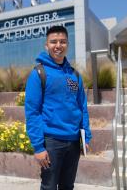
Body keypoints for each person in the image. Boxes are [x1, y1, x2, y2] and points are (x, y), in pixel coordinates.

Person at [25, 25, 92, 190]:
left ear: (67, 45)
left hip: (74, 141)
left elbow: (82, 106)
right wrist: (39, 147)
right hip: (51, 142)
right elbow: (32, 112)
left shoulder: (74, 75)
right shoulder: (38, 74)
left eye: (62, 41)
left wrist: (86, 137)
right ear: (46, 45)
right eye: (53, 41)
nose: (58, 45)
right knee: (48, 186)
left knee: (68, 186)